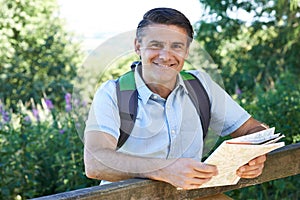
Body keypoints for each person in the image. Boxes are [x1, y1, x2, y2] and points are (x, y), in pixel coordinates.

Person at [84, 7, 268, 190]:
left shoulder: (201, 85)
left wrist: (253, 154)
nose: (165, 56)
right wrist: (163, 170)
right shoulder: (112, 93)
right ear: (138, 46)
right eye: (156, 45)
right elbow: (95, 162)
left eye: (177, 46)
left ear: (187, 51)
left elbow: (252, 128)